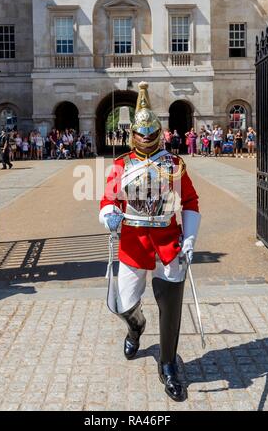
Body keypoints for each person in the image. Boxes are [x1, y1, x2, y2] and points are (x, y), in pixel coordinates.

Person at [99, 82, 201, 402]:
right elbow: (108, 200)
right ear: (133, 135)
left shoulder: (174, 165)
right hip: (133, 243)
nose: (145, 139)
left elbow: (191, 203)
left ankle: (168, 362)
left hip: (169, 242)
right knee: (123, 304)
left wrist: (190, 238)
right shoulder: (120, 165)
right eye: (140, 135)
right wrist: (109, 215)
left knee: (170, 308)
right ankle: (136, 327)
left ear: (158, 133)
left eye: (150, 134)